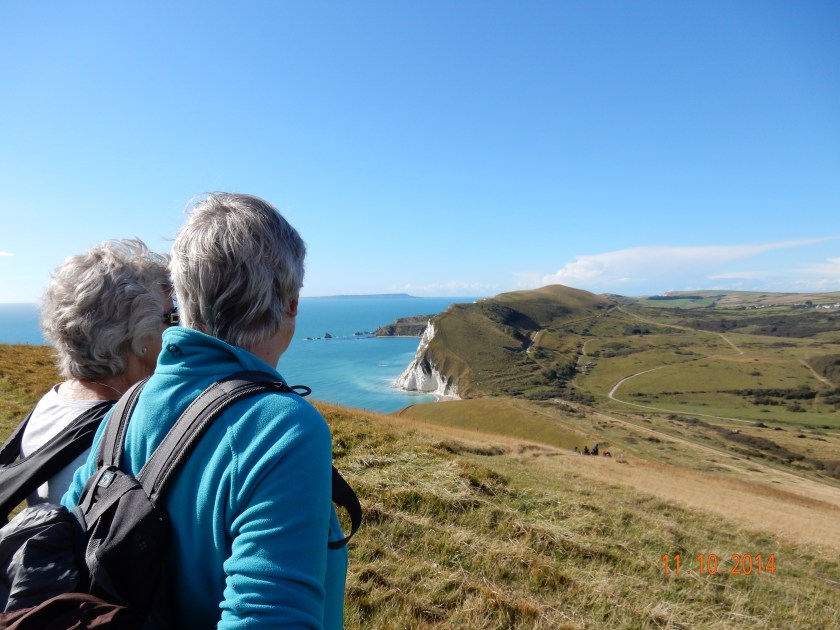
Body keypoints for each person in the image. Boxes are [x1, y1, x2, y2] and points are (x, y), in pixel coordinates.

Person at [63, 193, 347, 629]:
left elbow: (63, 552)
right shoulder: (282, 428)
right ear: (291, 303)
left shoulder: (122, 411)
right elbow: (268, 619)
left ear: (183, 299)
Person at [20, 238, 172, 505]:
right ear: (135, 336)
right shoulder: (124, 436)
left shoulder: (53, 401)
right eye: (171, 317)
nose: (178, 331)